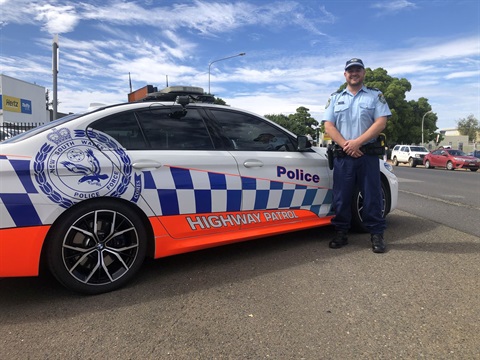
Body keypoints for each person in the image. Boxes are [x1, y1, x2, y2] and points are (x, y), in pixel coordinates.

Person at [323, 58, 392, 253]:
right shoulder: (335, 98)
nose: (354, 73)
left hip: (367, 155)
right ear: (345, 74)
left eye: (358, 70)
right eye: (350, 70)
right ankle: (341, 232)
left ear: (363, 73)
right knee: (341, 197)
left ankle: (377, 235)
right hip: (343, 156)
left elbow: (380, 122)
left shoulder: (374, 96)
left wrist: (357, 143)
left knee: (372, 196)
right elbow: (328, 125)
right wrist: (347, 145)